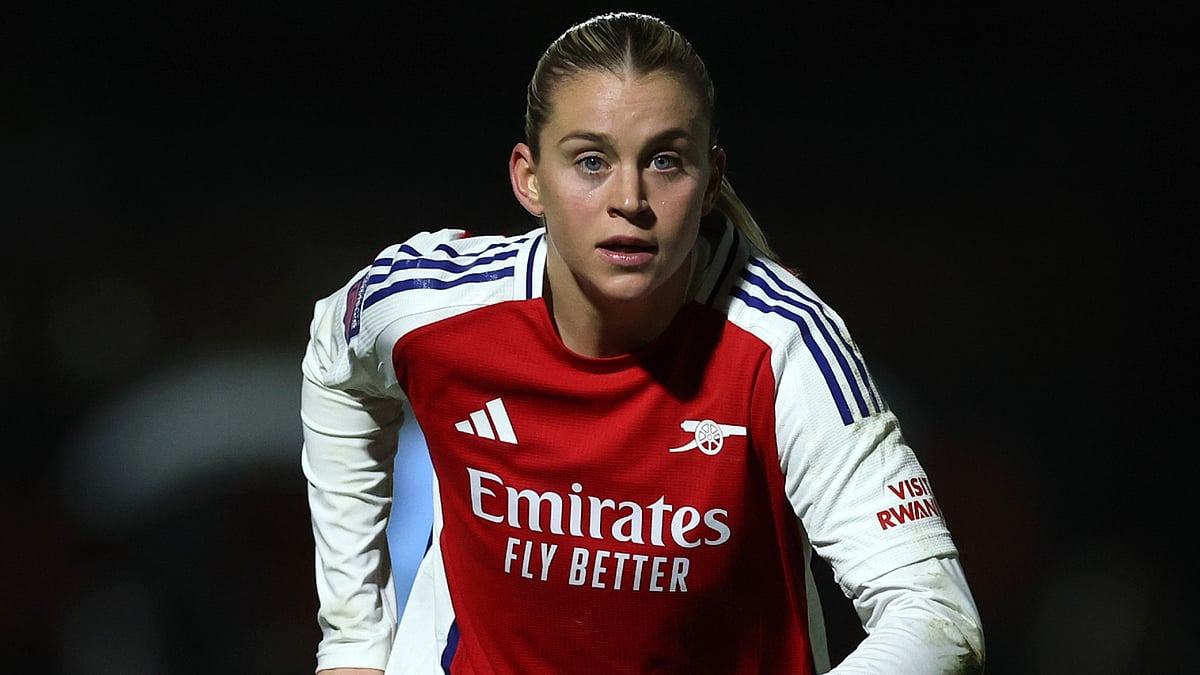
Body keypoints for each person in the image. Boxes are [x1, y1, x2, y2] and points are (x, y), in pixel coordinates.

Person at [300, 11, 985, 674]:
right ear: (529, 178)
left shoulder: (785, 347)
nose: (629, 197)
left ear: (712, 179)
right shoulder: (433, 305)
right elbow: (335, 361)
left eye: (663, 160)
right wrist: (354, 641)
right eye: (591, 161)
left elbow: (935, 615)